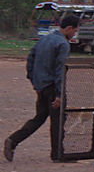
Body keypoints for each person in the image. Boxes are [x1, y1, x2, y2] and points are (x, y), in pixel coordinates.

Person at [4, 13, 76, 162]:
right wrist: (59, 94)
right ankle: (58, 154)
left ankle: (13, 140)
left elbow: (30, 60)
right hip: (52, 87)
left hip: (41, 86)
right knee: (58, 120)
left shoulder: (44, 39)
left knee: (39, 118)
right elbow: (60, 70)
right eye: (75, 30)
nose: (74, 33)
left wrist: (34, 82)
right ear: (69, 28)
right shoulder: (63, 44)